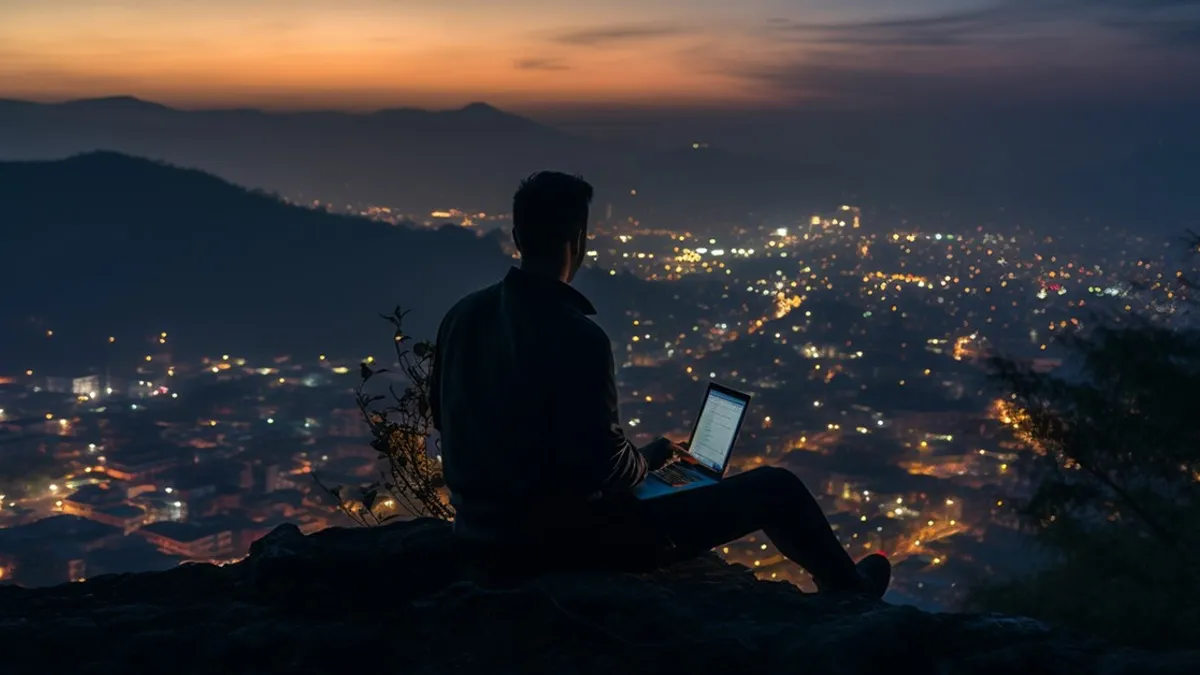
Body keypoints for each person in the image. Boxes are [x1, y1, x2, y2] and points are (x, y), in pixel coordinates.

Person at [429, 171, 890, 596]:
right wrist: (639, 466)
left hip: (478, 536)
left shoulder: (462, 315)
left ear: (516, 238)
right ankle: (850, 593)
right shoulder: (575, 334)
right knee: (776, 489)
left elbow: (446, 419)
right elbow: (602, 470)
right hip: (559, 546)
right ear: (580, 240)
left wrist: (645, 459)